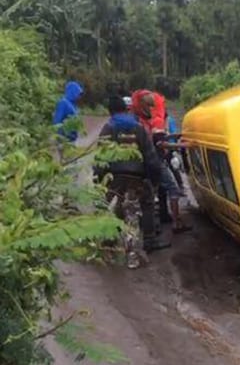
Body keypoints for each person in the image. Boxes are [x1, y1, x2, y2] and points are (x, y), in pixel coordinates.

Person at [95, 96, 171, 268]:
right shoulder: (139, 128)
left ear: (110, 111)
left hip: (114, 178)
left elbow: (101, 157)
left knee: (112, 208)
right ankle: (148, 242)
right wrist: (154, 179)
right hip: (137, 178)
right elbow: (150, 157)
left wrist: (98, 179)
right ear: (126, 109)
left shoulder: (108, 127)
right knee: (146, 205)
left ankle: (108, 243)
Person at [131, 90, 191, 234]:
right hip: (157, 160)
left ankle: (155, 226)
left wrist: (176, 135)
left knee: (153, 193)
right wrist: (183, 145)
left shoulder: (139, 120)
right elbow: (160, 143)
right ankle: (176, 223)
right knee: (173, 189)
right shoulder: (154, 119)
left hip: (147, 162)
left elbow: (157, 138)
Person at [52, 81, 83, 158]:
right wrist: (59, 137)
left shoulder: (73, 104)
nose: (79, 97)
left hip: (71, 138)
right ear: (73, 92)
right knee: (69, 162)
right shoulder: (63, 103)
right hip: (64, 138)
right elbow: (57, 121)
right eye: (78, 94)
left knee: (71, 161)